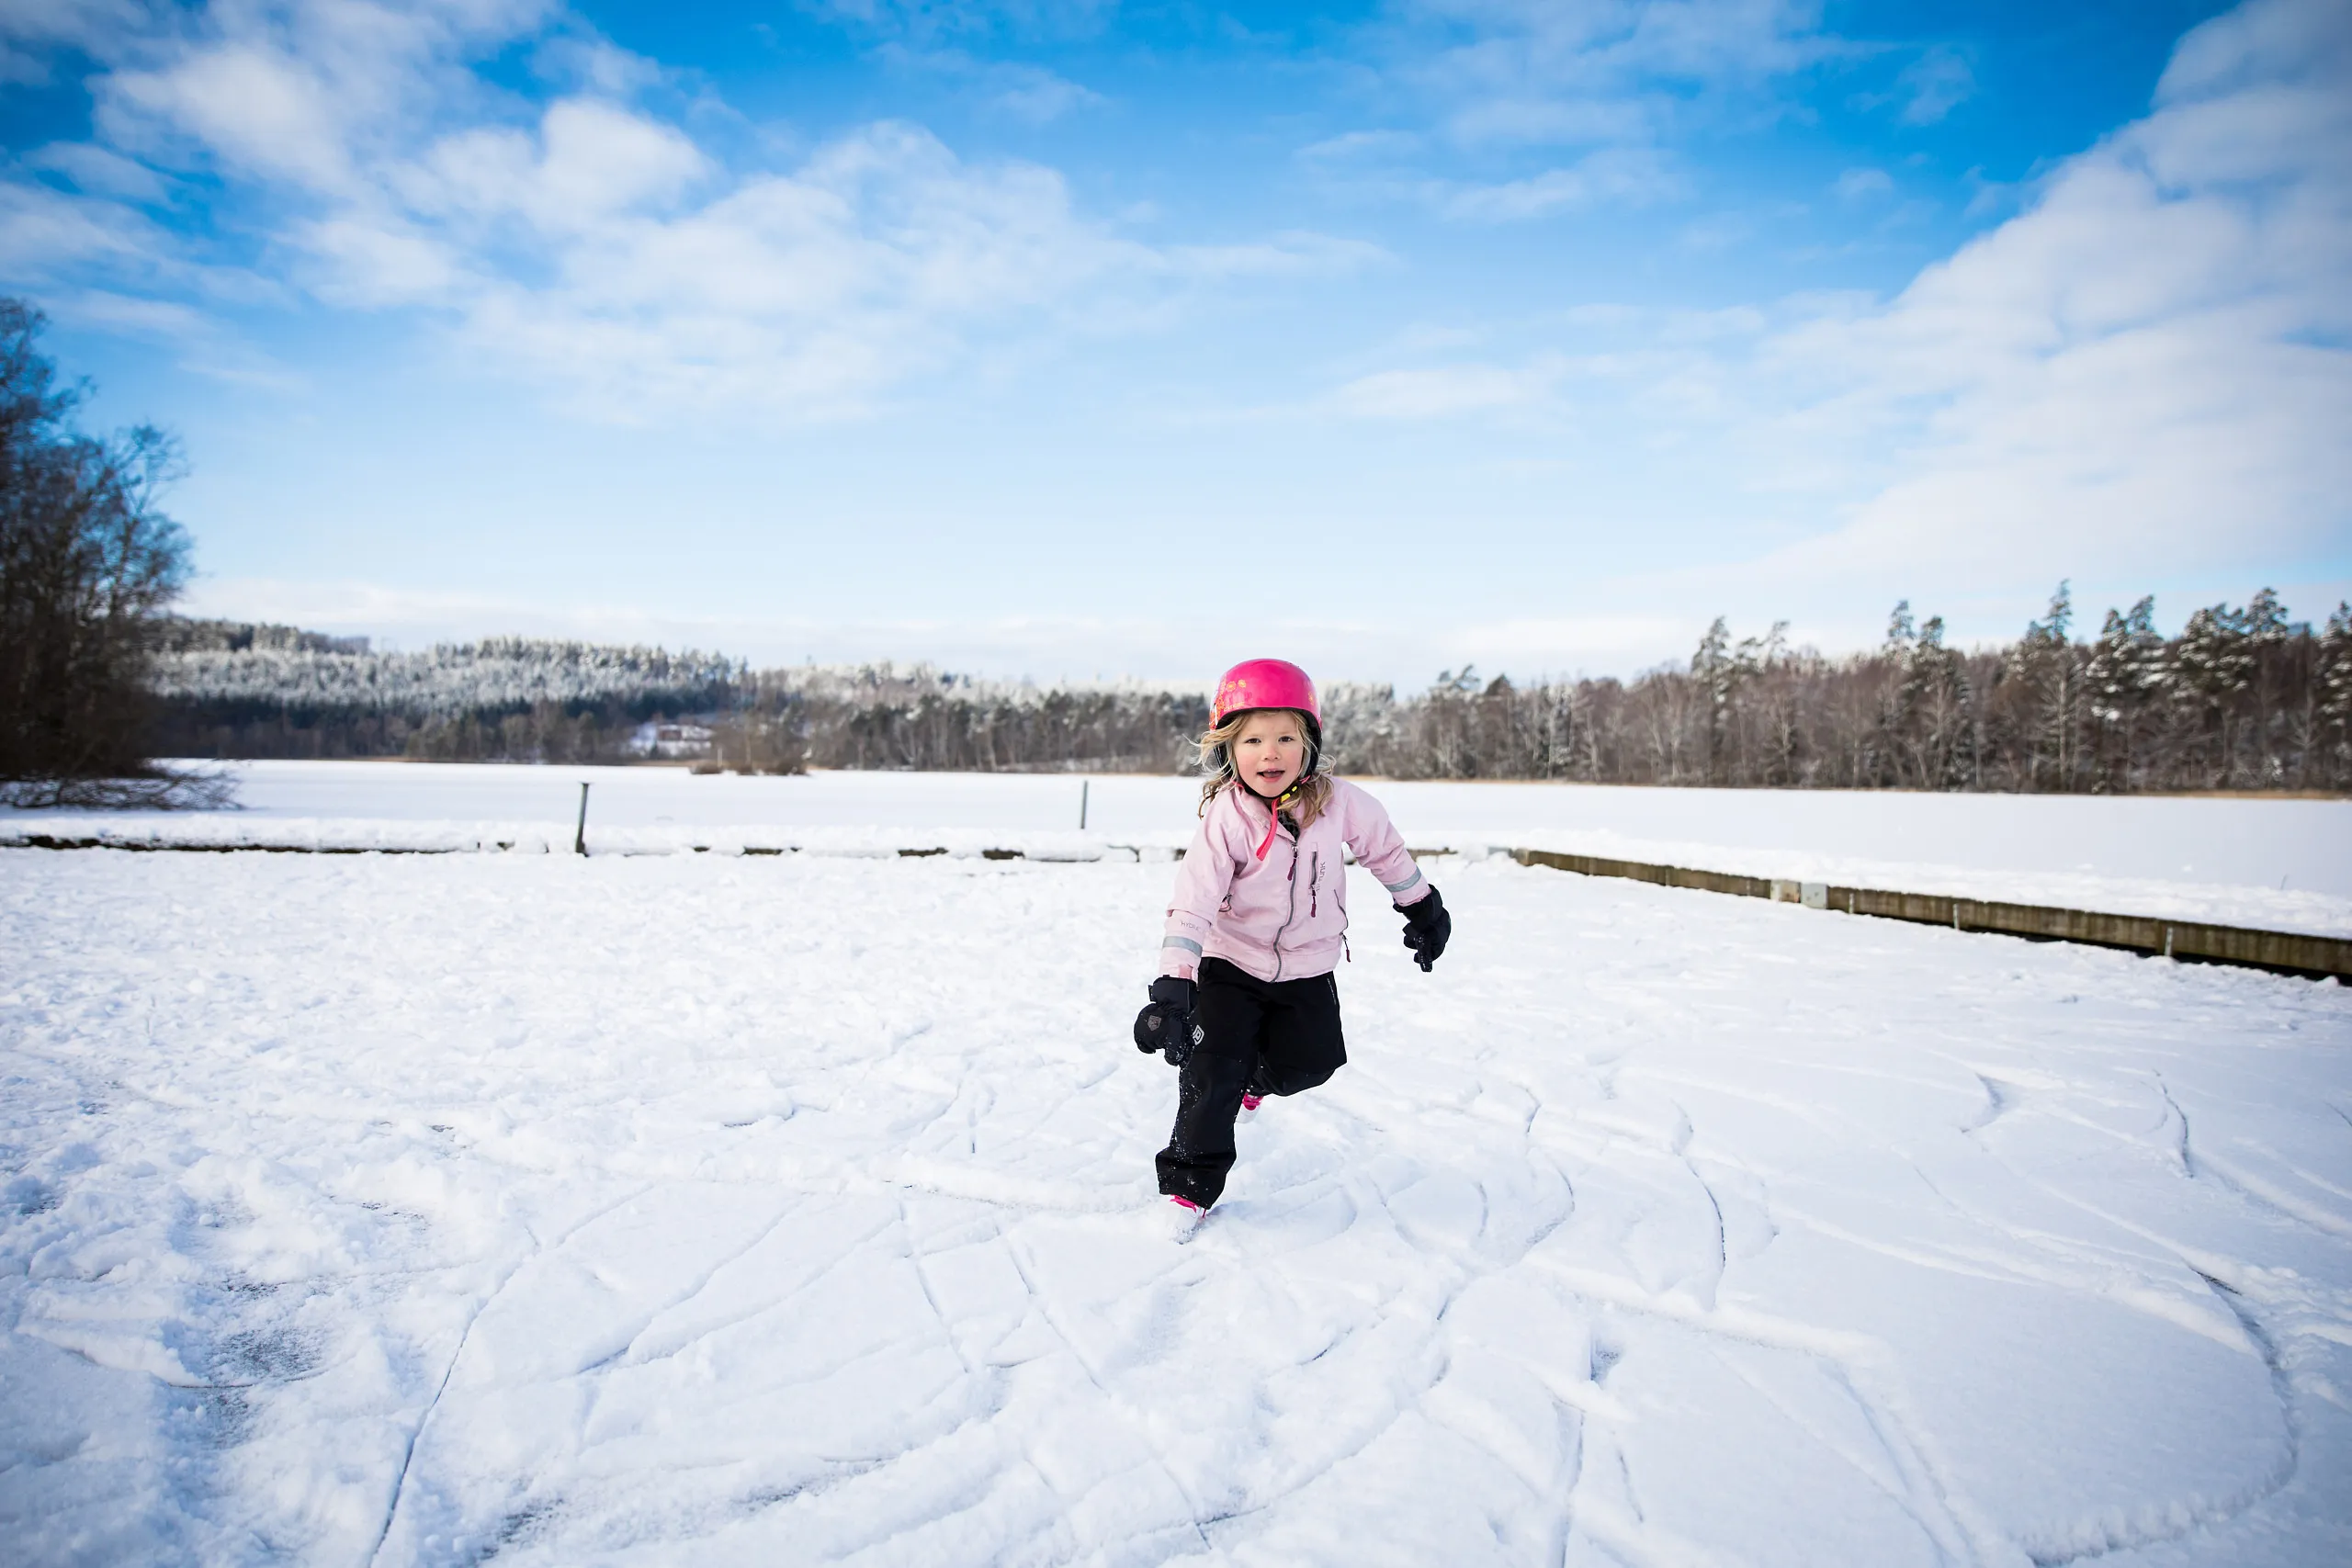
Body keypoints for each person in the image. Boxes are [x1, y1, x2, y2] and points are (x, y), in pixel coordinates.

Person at [1133, 658, 1451, 1240]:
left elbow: (1386, 852)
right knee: (1210, 1072)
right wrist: (1174, 984)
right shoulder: (1225, 819)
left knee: (1312, 1064)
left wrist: (1423, 906)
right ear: (1229, 747)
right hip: (1231, 962)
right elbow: (1194, 901)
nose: (1270, 752)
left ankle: (1255, 1080)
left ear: (1310, 744)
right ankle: (1188, 1188)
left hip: (1309, 964)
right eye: (1253, 738)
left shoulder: (1343, 803)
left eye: (1286, 737)